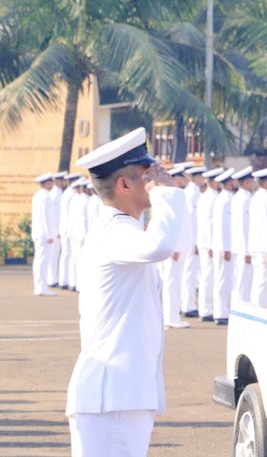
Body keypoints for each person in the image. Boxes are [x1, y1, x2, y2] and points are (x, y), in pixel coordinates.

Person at [65, 127, 184, 457]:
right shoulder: (114, 231)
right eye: (149, 175)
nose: (157, 179)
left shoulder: (124, 229)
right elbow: (160, 245)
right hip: (113, 396)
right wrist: (166, 196)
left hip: (120, 394)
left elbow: (168, 242)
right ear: (124, 184)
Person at [158, 167, 191, 329]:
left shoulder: (176, 195)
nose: (185, 180)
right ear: (175, 178)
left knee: (174, 282)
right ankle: (170, 317)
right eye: (182, 177)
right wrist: (175, 248)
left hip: (178, 247)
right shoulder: (170, 195)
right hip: (174, 249)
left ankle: (173, 315)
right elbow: (171, 223)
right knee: (171, 282)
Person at [195, 167, 223, 322]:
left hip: (207, 242)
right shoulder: (210, 198)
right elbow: (210, 224)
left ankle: (207, 309)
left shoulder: (207, 197)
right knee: (208, 277)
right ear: (212, 182)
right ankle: (206, 310)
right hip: (209, 243)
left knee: (208, 277)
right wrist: (212, 244)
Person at [180, 165, 206, 319]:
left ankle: (187, 303)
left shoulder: (193, 191)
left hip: (192, 239)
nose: (202, 179)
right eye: (200, 176)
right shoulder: (192, 192)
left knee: (190, 272)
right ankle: (188, 305)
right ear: (195, 177)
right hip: (192, 239)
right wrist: (195, 241)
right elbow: (191, 220)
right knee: (190, 272)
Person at [249, 167, 267, 308]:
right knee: (264, 284)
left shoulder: (256, 196)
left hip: (257, 246)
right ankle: (259, 313)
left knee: (258, 282)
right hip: (265, 248)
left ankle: (256, 312)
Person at [211, 168, 236, 325]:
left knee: (226, 281)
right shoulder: (224, 199)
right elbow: (221, 226)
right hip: (223, 247)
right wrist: (225, 247)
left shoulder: (227, 198)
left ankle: (223, 311)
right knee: (222, 280)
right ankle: (220, 313)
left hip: (225, 247)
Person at [229, 167, 255, 305]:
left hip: (239, 247)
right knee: (242, 283)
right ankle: (239, 312)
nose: (253, 184)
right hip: (243, 248)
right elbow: (245, 227)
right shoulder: (244, 199)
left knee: (241, 281)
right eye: (251, 181)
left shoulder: (240, 197)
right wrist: (247, 251)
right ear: (246, 182)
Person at [31, 173, 57, 296]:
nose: (52, 184)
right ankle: (41, 287)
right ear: (46, 183)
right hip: (44, 235)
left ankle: (40, 285)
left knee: (39, 260)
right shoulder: (45, 197)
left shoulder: (38, 195)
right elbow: (45, 218)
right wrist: (49, 235)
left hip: (39, 233)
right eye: (50, 182)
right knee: (42, 261)